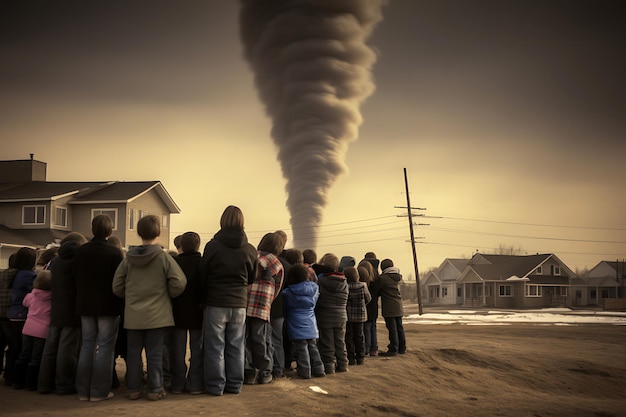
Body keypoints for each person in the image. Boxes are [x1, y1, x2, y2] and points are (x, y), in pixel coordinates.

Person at [113, 215, 187, 401]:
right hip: (158, 315)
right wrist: (166, 294)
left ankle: (133, 389)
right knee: (155, 354)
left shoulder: (128, 259)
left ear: (138, 233)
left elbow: (117, 286)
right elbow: (179, 282)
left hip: (133, 315)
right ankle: (155, 389)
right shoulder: (163, 258)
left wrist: (130, 297)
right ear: (159, 232)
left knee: (133, 354)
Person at [199, 205, 258, 396]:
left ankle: (216, 386)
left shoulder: (212, 246)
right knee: (236, 346)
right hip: (239, 303)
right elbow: (252, 277)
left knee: (215, 346)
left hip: (216, 302)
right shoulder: (250, 249)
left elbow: (203, 274)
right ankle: (235, 385)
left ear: (222, 221)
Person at [73, 214, 123, 402]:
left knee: (87, 345)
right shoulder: (114, 253)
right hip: (108, 306)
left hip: (85, 304)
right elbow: (119, 282)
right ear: (110, 231)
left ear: (92, 229)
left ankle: (83, 390)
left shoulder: (81, 251)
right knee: (105, 348)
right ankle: (99, 391)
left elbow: (74, 275)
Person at [38, 232, 88, 395]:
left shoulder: (55, 262)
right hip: (72, 310)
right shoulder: (78, 262)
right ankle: (64, 384)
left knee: (50, 349)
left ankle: (44, 384)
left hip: (56, 308)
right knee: (67, 350)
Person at [244, 232, 284, 385]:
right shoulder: (276, 263)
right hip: (262, 305)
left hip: (245, 301)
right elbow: (277, 287)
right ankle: (265, 372)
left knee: (244, 339)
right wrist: (268, 301)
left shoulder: (252, 255)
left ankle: (249, 372)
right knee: (261, 339)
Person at [170, 231, 204, 394]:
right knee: (197, 350)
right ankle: (195, 384)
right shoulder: (203, 263)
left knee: (177, 350)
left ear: (181, 246)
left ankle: (177, 383)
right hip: (198, 311)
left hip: (178, 311)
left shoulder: (174, 262)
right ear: (198, 245)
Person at [282, 264, 325, 379]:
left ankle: (305, 371)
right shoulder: (314, 288)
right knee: (313, 347)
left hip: (295, 323)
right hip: (311, 322)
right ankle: (319, 369)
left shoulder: (288, 293)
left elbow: (286, 307)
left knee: (302, 348)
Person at [13, 270, 52, 390]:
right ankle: (31, 384)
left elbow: (25, 304)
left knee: (24, 354)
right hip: (42, 332)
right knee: (36, 357)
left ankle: (17, 381)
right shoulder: (52, 298)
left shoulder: (31, 295)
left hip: (28, 328)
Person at [6, 247, 37, 387]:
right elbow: (37, 290)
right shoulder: (27, 275)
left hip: (12, 313)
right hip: (21, 315)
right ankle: (17, 378)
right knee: (22, 347)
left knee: (15, 346)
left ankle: (10, 375)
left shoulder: (15, 274)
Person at [315, 253, 349, 374]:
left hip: (325, 316)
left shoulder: (321, 281)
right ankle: (343, 364)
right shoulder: (344, 282)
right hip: (341, 315)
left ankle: (329, 366)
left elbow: (318, 298)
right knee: (340, 342)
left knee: (327, 342)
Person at [379, 259, 406, 356]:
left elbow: (378, 290)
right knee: (399, 327)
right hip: (398, 305)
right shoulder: (398, 277)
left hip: (389, 306)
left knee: (392, 328)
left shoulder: (383, 278)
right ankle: (402, 348)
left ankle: (393, 349)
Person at [344, 266, 371, 365]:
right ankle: (360, 357)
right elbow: (368, 298)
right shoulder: (363, 286)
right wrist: (362, 305)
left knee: (349, 337)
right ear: (357, 276)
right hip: (360, 316)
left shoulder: (345, 287)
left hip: (348, 316)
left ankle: (350, 358)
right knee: (359, 336)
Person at [0, 253, 17, 385]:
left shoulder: (2, 274)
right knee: (13, 345)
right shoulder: (20, 276)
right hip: (11, 315)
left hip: (0, 313)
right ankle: (9, 374)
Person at [360, 252, 381, 357]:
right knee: (373, 326)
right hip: (374, 306)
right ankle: (374, 348)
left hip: (365, 306)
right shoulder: (377, 278)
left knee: (366, 328)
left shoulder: (363, 279)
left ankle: (366, 348)